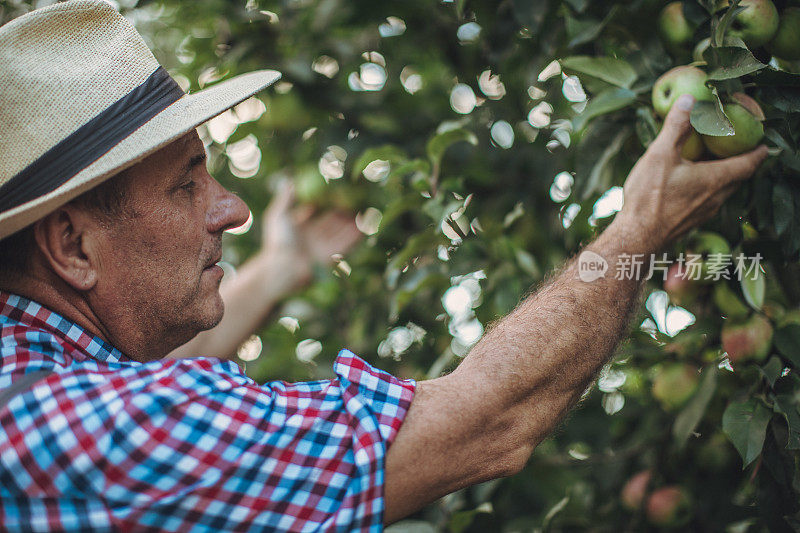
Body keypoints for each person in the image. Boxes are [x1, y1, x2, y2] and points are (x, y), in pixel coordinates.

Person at [0, 0, 768, 531]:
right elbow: (484, 421)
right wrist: (643, 227)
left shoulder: (40, 392)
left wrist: (276, 267)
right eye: (185, 184)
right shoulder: (87, 433)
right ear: (71, 246)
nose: (229, 209)